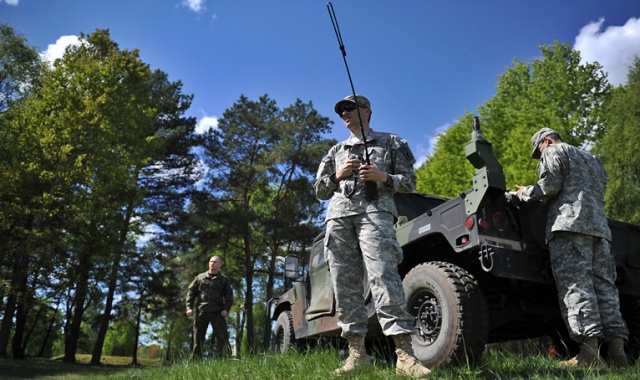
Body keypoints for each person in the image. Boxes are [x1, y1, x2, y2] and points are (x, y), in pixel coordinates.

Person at [314, 94, 431, 378]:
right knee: (344, 284)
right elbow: (319, 190)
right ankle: (357, 355)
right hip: (339, 218)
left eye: (350, 108)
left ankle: (404, 355)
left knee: (383, 276)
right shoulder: (335, 151)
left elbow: (411, 182)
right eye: (341, 110)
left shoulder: (391, 142)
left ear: (366, 111)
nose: (344, 113)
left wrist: (384, 178)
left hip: (376, 214)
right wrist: (337, 175)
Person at [515, 127, 629, 367]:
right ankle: (619, 354)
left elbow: (550, 185)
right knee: (606, 290)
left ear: (545, 141)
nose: (540, 154)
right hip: (600, 232)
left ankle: (590, 353)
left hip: (569, 227)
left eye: (539, 150)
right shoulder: (593, 159)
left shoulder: (554, 150)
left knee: (577, 286)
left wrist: (523, 193)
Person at [186, 255, 233, 358]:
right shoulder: (200, 278)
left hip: (218, 312)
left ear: (220, 265)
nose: (212, 263)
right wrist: (189, 307)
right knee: (198, 338)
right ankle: (195, 360)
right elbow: (191, 292)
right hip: (202, 312)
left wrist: (226, 309)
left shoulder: (224, 280)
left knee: (222, 337)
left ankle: (225, 359)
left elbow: (229, 296)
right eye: (211, 261)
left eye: (215, 262)